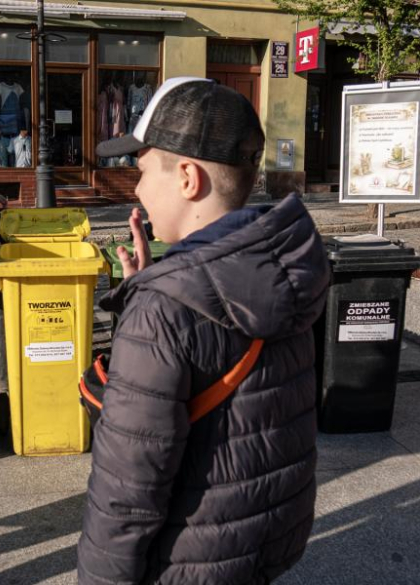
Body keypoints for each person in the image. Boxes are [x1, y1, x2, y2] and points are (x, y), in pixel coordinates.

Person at [77, 77, 331, 584]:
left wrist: (147, 303)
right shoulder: (277, 264)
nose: (138, 189)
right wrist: (151, 286)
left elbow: (128, 489)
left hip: (188, 559)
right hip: (260, 537)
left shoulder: (163, 308)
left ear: (188, 178)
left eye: (143, 171)